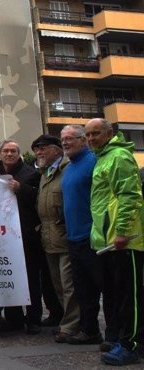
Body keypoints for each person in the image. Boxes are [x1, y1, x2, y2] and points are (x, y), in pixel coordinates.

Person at [85, 118, 144, 366]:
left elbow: (130, 195)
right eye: (87, 135)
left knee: (129, 296)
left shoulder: (118, 156)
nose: (91, 139)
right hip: (109, 241)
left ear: (110, 133)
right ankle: (124, 340)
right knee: (118, 295)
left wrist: (121, 231)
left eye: (96, 134)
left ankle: (132, 345)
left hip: (125, 241)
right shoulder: (103, 157)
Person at [0, 139, 42, 335]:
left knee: (31, 280)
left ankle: (34, 319)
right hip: (1, 237)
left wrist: (21, 189)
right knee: (9, 276)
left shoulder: (31, 173)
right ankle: (14, 318)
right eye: (6, 151)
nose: (9, 154)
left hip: (25, 236)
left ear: (19, 154)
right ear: (0, 153)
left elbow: (37, 198)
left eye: (13, 151)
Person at [59, 124, 104, 347]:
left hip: (92, 237)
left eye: (70, 138)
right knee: (83, 290)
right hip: (73, 238)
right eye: (63, 139)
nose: (66, 142)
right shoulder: (68, 168)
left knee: (105, 287)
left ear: (83, 140)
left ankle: (117, 334)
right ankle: (90, 330)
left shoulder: (94, 162)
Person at [32, 134, 79, 343]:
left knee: (69, 285)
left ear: (57, 150)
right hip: (49, 238)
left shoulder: (67, 169)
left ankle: (72, 326)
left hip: (65, 237)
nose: (39, 153)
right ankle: (68, 321)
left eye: (43, 148)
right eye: (36, 149)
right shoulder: (45, 173)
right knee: (58, 284)